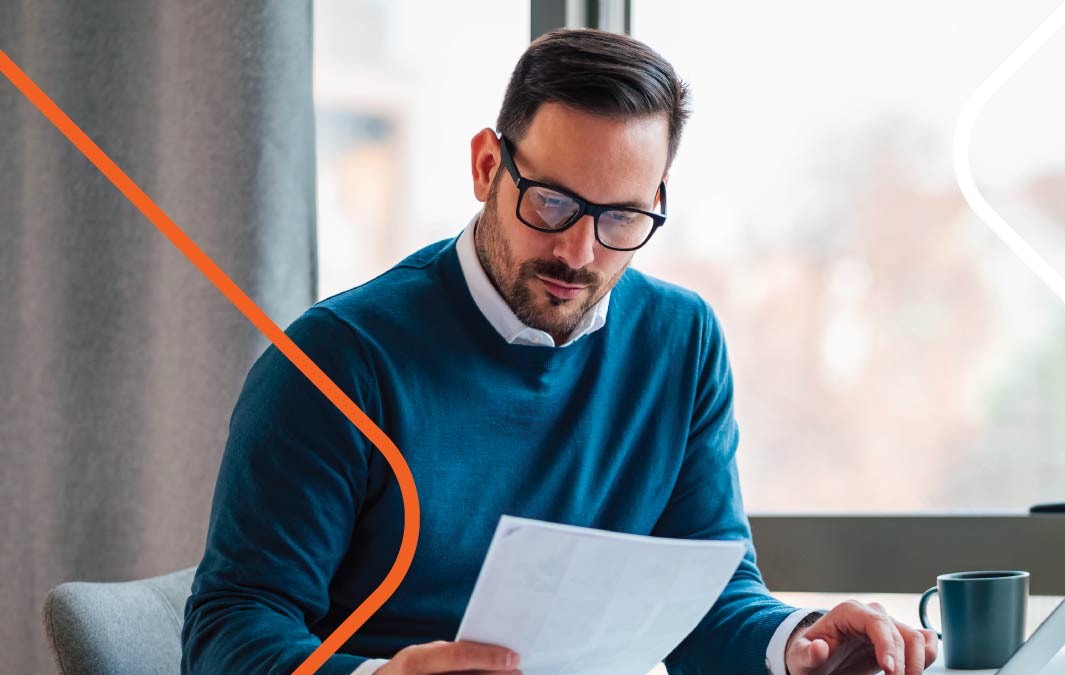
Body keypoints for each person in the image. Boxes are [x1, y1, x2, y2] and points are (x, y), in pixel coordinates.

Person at [181, 28, 938, 675]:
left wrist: (797, 642)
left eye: (622, 217)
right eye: (551, 202)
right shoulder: (337, 360)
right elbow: (228, 633)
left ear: (659, 204)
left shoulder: (681, 341)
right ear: (486, 167)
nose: (579, 251)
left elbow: (709, 598)